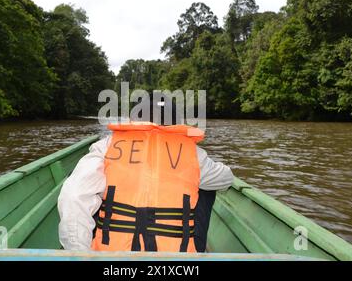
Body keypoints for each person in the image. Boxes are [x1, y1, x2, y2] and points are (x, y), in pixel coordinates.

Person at [58, 101, 234, 252]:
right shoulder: (193, 153)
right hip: (177, 258)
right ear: (175, 123)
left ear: (134, 120)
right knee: (207, 186)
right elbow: (226, 178)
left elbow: (73, 196)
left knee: (88, 187)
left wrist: (80, 254)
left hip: (112, 255)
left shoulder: (107, 146)